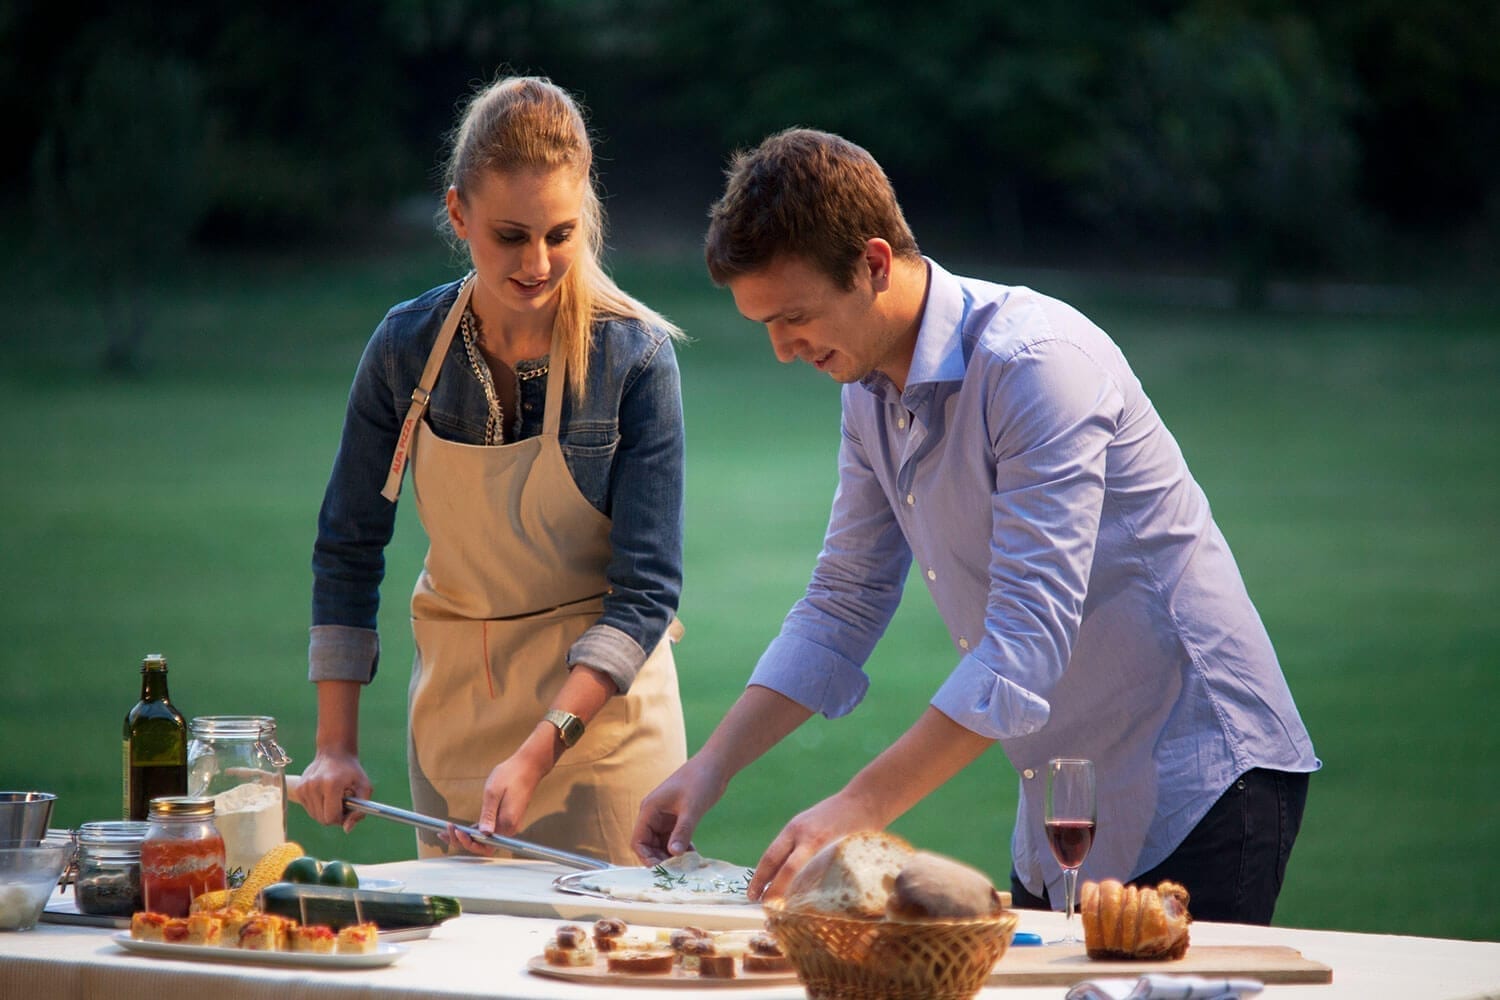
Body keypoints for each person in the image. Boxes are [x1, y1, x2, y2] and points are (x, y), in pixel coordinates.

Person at [633, 128, 1319, 924]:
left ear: (875, 263)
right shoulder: (866, 393)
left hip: (1203, 779)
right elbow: (842, 602)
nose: (784, 351)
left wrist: (859, 805)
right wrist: (711, 767)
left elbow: (1026, 639)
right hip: (1066, 809)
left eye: (794, 317)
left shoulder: (1036, 365)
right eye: (766, 327)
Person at [296, 76, 688, 865]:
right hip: (454, 726)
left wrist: (541, 748)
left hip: (602, 743)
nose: (538, 263)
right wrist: (334, 745)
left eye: (559, 234)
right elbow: (349, 544)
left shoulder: (635, 359)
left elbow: (646, 591)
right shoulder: (405, 349)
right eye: (511, 236)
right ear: (458, 214)